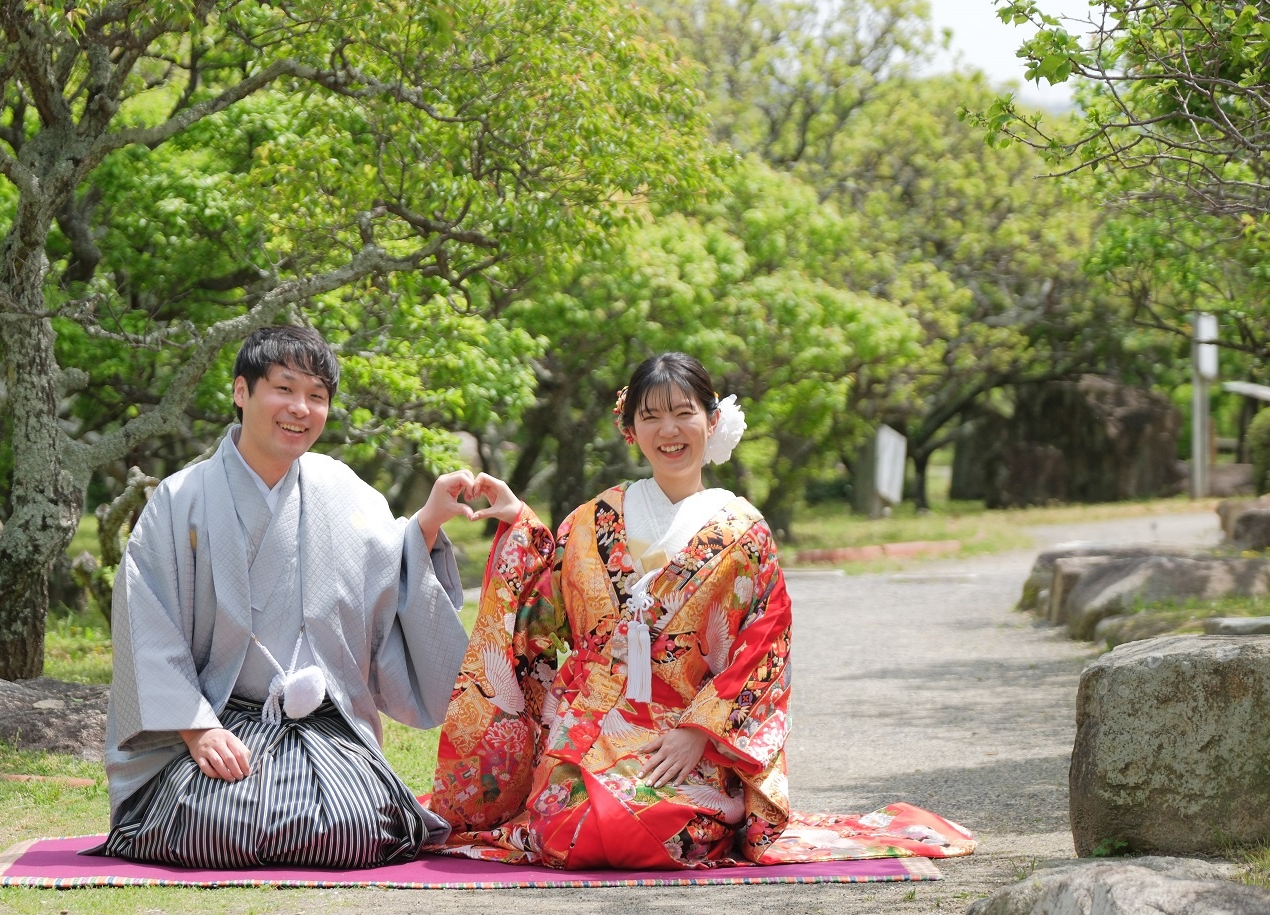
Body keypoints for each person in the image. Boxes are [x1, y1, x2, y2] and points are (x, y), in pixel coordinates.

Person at [427, 353, 973, 869]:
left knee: (652, 824)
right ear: (629, 429)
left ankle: (707, 803)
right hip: (591, 729)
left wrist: (700, 732)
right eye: (652, 416)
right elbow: (537, 610)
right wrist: (517, 519)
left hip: (688, 736)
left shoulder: (743, 532)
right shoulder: (592, 520)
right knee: (564, 828)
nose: (669, 430)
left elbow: (765, 646)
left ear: (711, 422)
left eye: (684, 413)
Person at [93, 325, 475, 869]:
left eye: (316, 396)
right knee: (215, 824)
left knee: (355, 828)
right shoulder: (182, 498)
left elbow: (393, 562)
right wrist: (197, 728)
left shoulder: (344, 491)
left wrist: (428, 524)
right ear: (241, 392)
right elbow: (146, 620)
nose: (300, 408)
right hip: (219, 723)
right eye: (284, 388)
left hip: (323, 724)